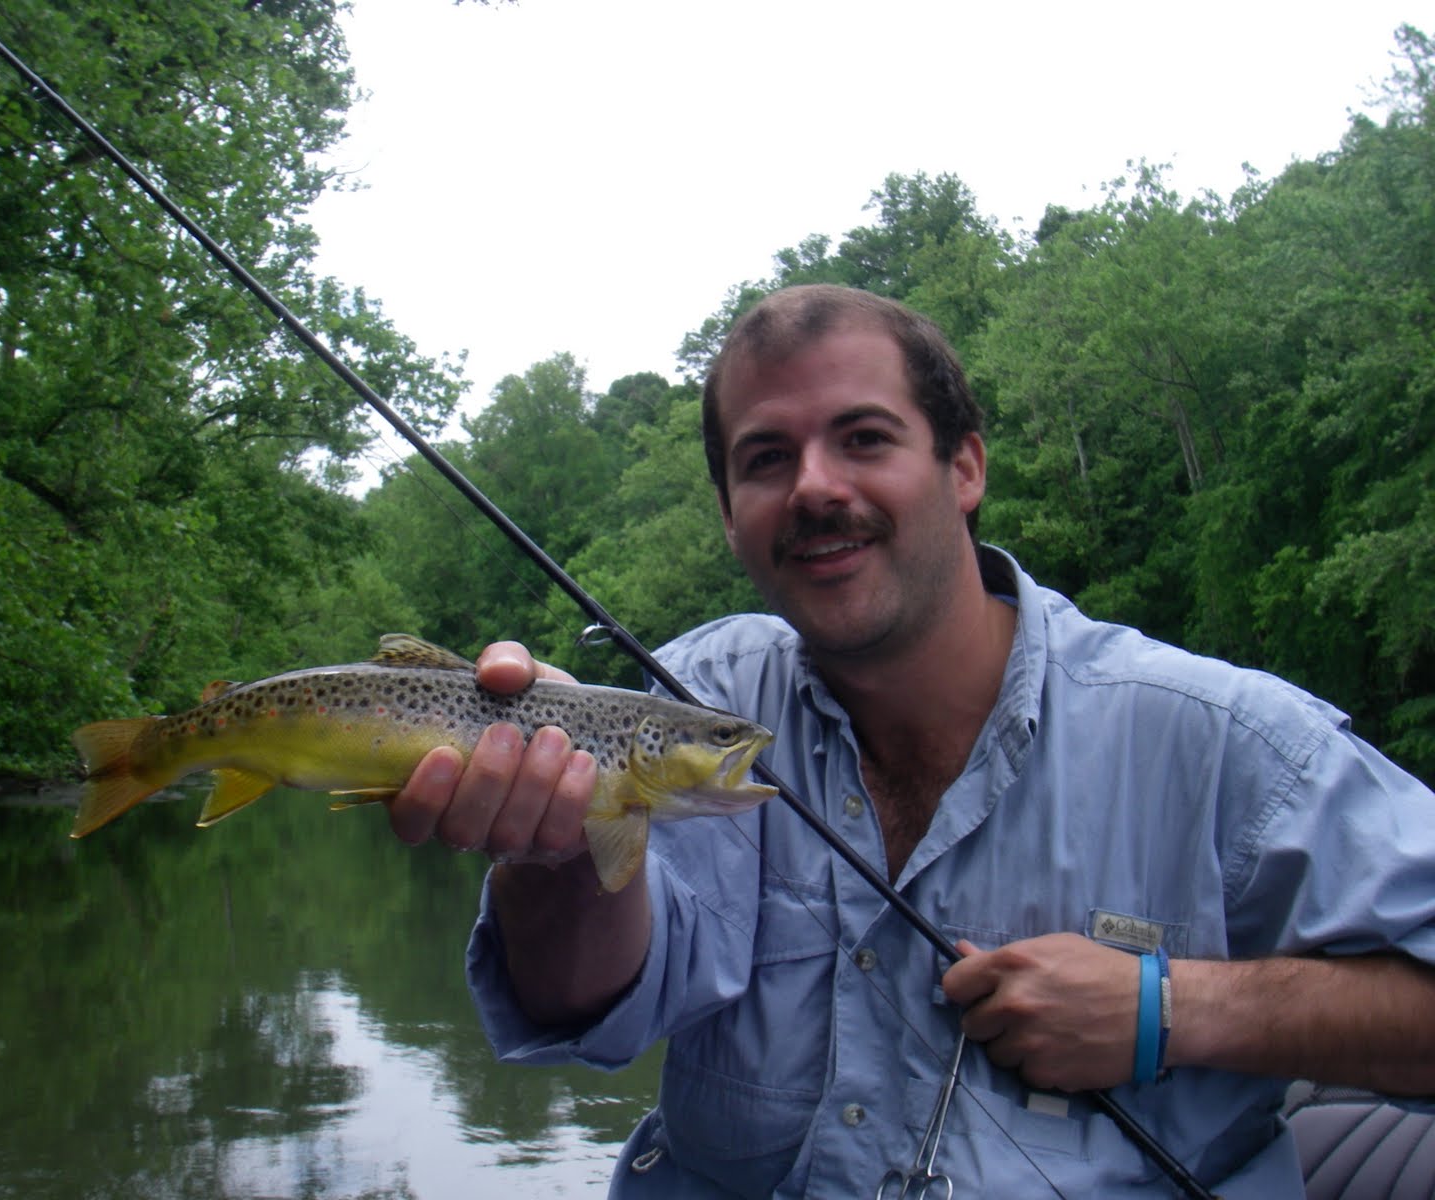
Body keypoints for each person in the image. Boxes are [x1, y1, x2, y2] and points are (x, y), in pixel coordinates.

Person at [386, 284, 1435, 1197]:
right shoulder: (695, 698)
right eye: (764, 459)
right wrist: (555, 854)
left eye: (864, 438)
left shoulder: (1222, 742)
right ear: (730, 515)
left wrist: (1174, 1008)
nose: (812, 486)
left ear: (964, 467)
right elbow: (593, 1007)